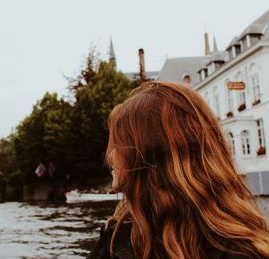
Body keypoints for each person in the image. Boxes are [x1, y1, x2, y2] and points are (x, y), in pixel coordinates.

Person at [87, 81, 269, 259]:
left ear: (151, 154)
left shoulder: (241, 251)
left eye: (119, 144)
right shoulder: (117, 237)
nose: (110, 156)